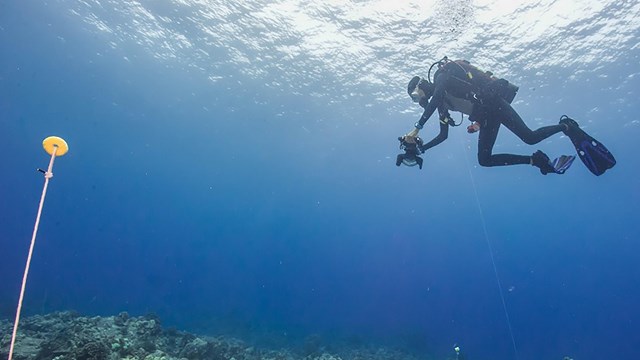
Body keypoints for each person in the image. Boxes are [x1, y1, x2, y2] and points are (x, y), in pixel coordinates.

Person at [402, 57, 615, 175]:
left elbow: (438, 92)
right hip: (486, 118)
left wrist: (417, 127)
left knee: (529, 137)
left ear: (421, 85)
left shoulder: (441, 77)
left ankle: (566, 126)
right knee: (484, 160)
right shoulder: (441, 106)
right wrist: (421, 148)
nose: (418, 100)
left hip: (495, 103)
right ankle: (536, 160)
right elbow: (443, 135)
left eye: (415, 96)